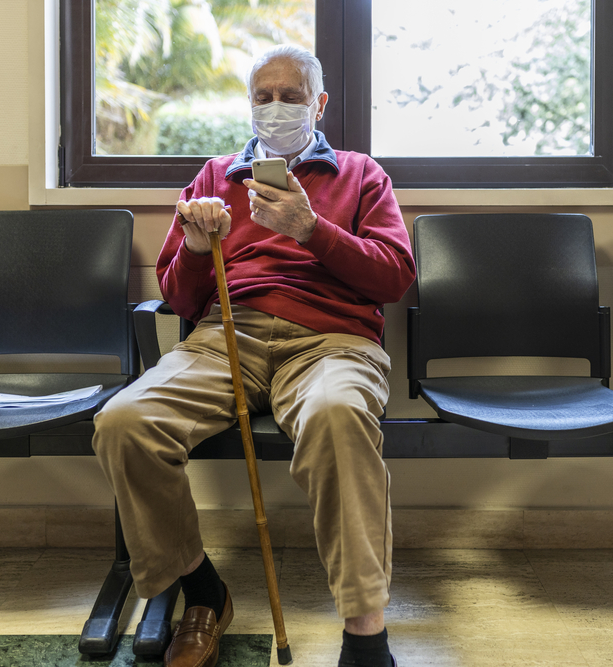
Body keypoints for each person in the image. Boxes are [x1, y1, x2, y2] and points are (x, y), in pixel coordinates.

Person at [92, 44, 414, 667]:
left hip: (331, 341)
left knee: (337, 417)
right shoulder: (215, 177)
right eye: (262, 97)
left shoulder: (361, 174)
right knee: (124, 423)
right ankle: (200, 588)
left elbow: (394, 278)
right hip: (225, 336)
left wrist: (312, 229)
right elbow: (179, 297)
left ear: (319, 104)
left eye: (291, 96)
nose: (275, 108)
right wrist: (190, 244)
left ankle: (365, 632)